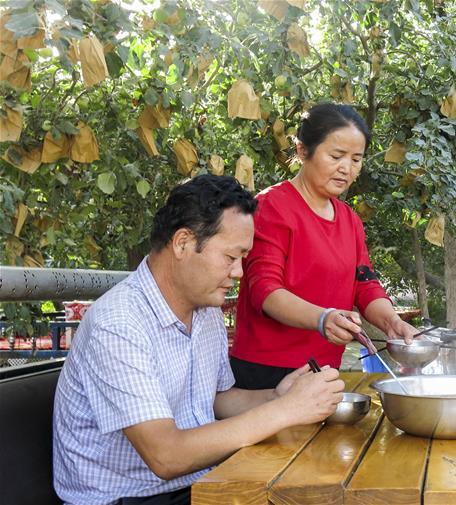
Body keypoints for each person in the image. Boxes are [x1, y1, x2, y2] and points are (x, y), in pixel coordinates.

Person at [52, 175, 345, 505]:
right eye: (231, 257)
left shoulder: (205, 310)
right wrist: (285, 411)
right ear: (182, 243)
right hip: (127, 498)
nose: (239, 272)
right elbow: (166, 456)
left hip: (197, 484)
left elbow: (216, 399)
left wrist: (277, 397)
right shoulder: (119, 323)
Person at [230, 103, 417, 389]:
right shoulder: (271, 207)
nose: (347, 168)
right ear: (303, 150)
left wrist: (391, 321)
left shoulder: (350, 220)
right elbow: (264, 291)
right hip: (266, 371)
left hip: (324, 368)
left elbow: (365, 285)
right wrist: (322, 318)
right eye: (336, 156)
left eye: (356, 159)